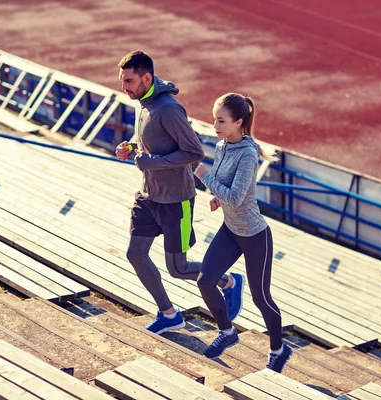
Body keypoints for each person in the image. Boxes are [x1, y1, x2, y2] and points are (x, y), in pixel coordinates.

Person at [114, 51, 245, 335]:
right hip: (148, 196)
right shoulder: (144, 102)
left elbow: (193, 152)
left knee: (178, 267)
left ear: (147, 78)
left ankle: (229, 281)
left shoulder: (168, 109)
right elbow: (155, 141)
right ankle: (169, 314)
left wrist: (150, 162)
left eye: (129, 81)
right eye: (122, 80)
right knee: (136, 254)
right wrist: (133, 147)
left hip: (176, 201)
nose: (124, 87)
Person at [194, 93, 292, 373]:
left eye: (221, 121)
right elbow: (226, 187)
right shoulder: (224, 145)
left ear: (238, 122)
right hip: (231, 229)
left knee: (262, 298)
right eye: (215, 119)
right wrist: (217, 197)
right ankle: (227, 332)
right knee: (205, 280)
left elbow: (236, 197)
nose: (215, 125)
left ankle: (279, 349)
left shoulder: (248, 154)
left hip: (254, 235)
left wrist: (203, 177)